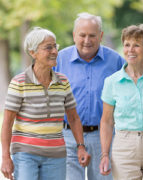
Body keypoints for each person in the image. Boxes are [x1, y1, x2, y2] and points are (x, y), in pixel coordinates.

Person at [0, 27, 90, 180]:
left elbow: (73, 118)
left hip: (56, 154)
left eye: (55, 46)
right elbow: (7, 123)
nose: (54, 51)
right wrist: (6, 157)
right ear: (32, 52)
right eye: (48, 47)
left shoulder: (63, 82)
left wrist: (80, 146)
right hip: (25, 154)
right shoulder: (19, 82)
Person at [53, 13, 124, 180]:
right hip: (67, 137)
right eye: (82, 35)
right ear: (74, 35)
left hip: (103, 138)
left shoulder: (115, 62)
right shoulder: (59, 60)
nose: (87, 40)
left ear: (100, 36)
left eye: (92, 35)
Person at [99, 24, 143, 180]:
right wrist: (105, 154)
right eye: (127, 45)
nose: (130, 50)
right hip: (124, 149)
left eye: (136, 45)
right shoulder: (112, 82)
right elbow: (106, 121)